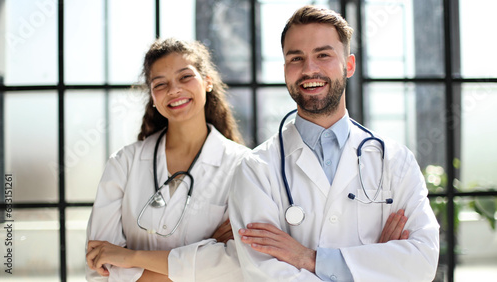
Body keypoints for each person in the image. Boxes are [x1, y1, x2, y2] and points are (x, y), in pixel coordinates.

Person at [229, 5, 440, 282]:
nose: (309, 69)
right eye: (296, 58)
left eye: (323, 55)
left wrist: (309, 258)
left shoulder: (395, 161)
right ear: (285, 70)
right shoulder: (256, 170)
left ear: (348, 66)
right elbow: (265, 274)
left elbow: (421, 262)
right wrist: (374, 263)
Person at [85, 38, 250, 281]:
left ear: (207, 82)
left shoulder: (242, 165)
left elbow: (238, 266)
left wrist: (131, 258)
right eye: (160, 84)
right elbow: (100, 269)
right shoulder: (124, 163)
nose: (174, 90)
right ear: (152, 96)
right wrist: (205, 254)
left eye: (185, 77)